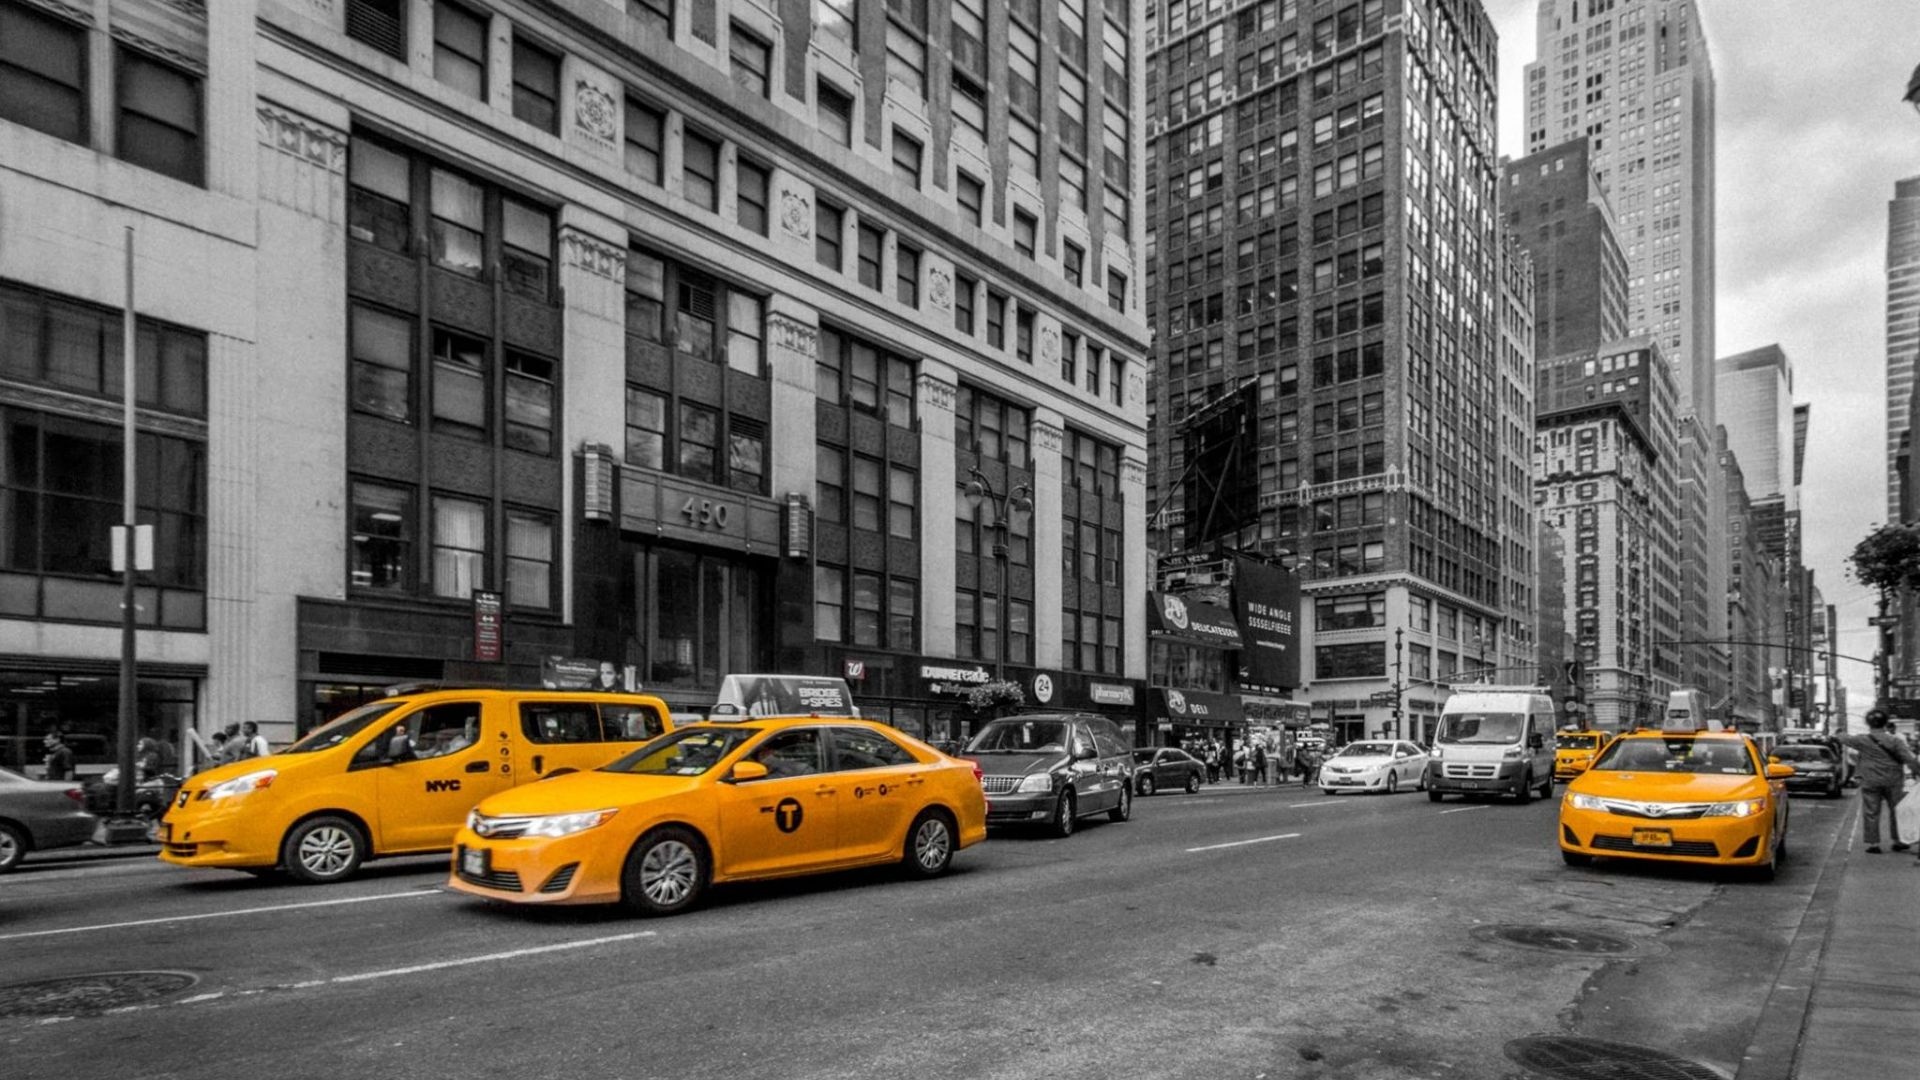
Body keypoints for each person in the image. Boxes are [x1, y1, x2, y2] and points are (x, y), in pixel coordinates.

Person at [1836, 709, 1920, 854]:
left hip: (1870, 780)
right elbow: (1909, 759)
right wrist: (1918, 772)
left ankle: (1873, 843)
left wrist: (1839, 732)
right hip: (1893, 780)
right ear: (1885, 723)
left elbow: (1845, 739)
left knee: (1871, 811)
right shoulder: (1895, 741)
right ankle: (1898, 841)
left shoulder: (1862, 740)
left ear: (1868, 723)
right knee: (1896, 810)